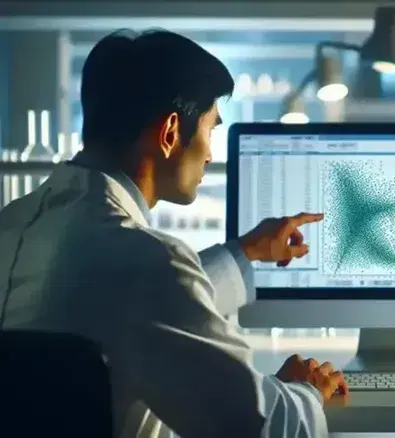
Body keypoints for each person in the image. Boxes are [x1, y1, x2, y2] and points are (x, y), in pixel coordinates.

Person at [0, 29, 346, 438]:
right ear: (169, 134)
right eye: (211, 130)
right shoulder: (146, 263)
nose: (212, 154)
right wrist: (305, 391)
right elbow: (264, 428)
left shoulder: (15, 224)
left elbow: (124, 307)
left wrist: (243, 254)